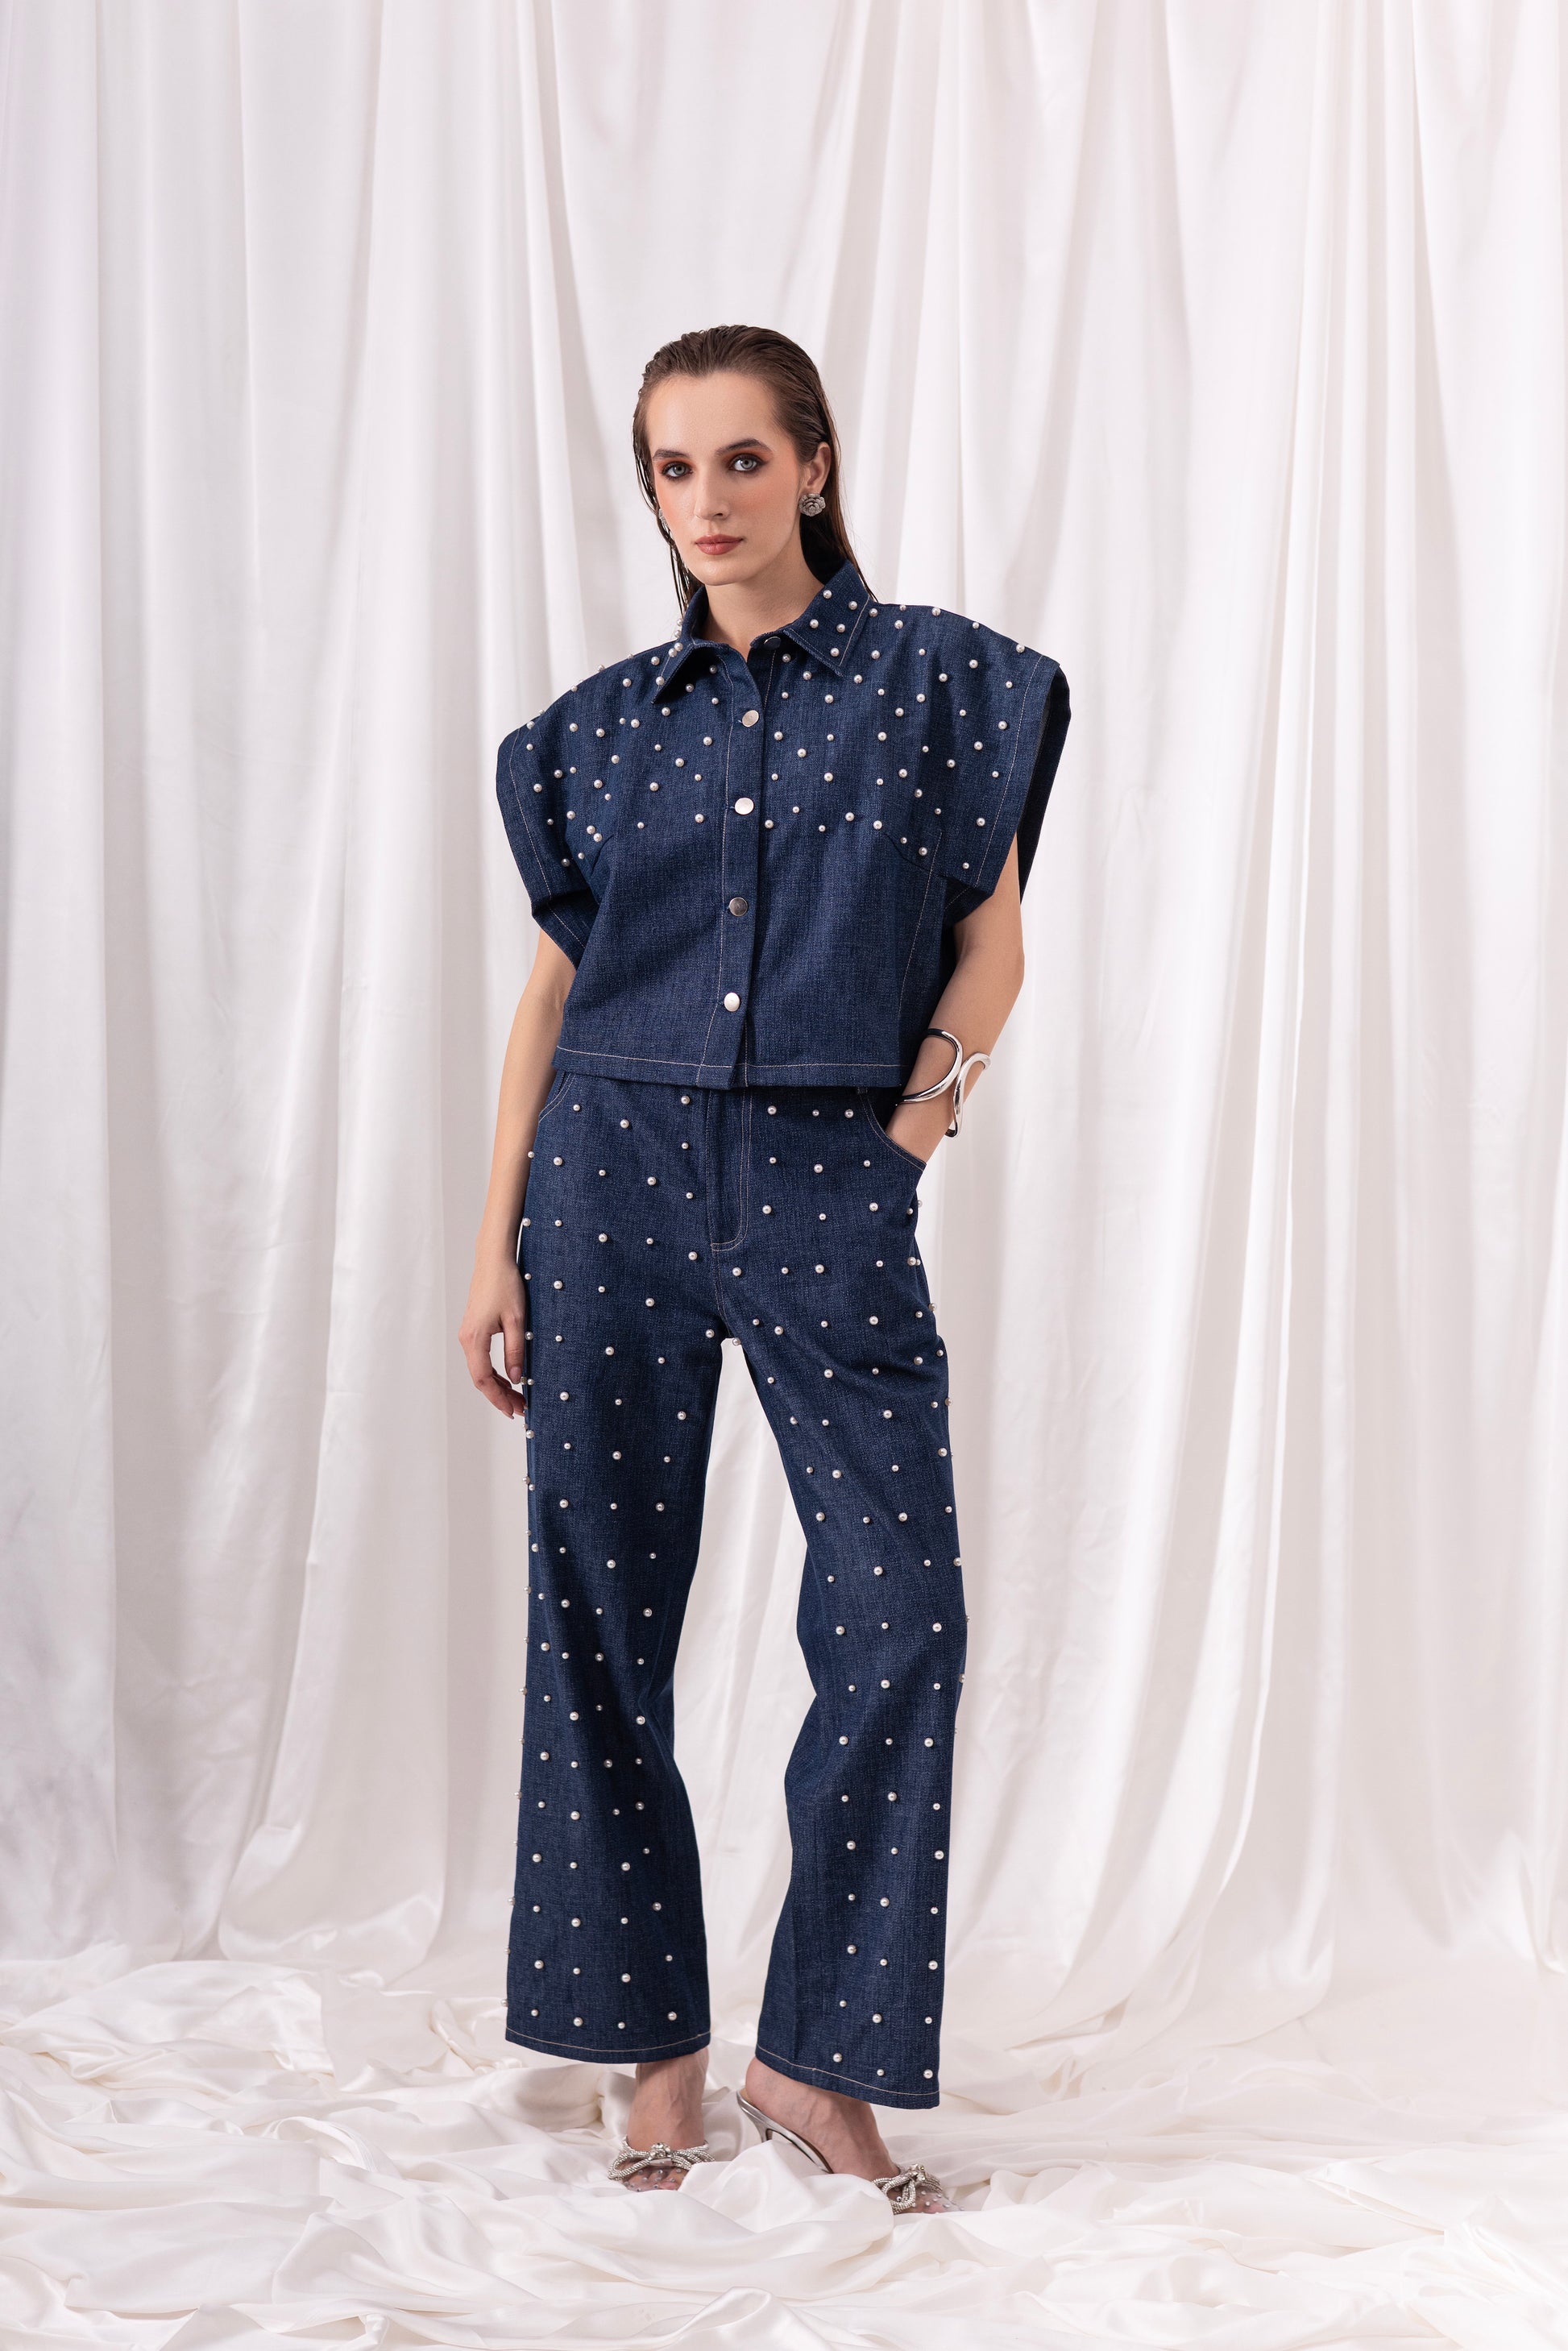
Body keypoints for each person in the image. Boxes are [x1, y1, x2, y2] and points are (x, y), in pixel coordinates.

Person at [460, 325, 1069, 2213]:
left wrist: (904, 1141)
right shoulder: (590, 733)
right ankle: (652, 2058)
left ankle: (814, 2067)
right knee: (599, 1612)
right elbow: (552, 992)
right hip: (609, 1173)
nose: (707, 500)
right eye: (674, 466)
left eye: (742, 459)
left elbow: (992, 943)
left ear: (812, 464)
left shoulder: (943, 685)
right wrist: (493, 1239)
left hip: (826, 1171)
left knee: (902, 1617)